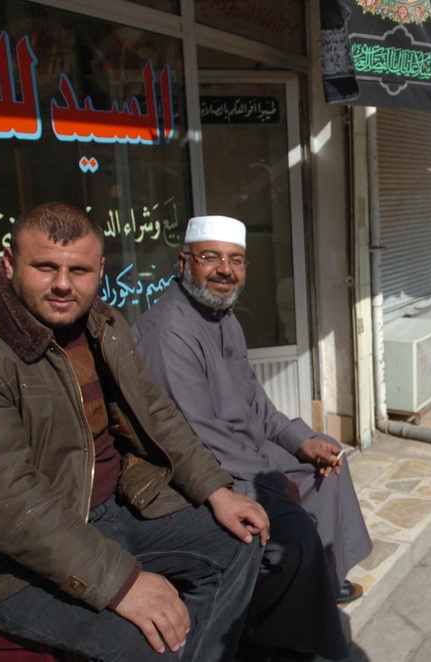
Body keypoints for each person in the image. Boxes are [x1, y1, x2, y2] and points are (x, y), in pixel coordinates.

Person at [0, 202, 269, 661]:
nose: (63, 284)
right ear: (10, 263)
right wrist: (122, 584)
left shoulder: (101, 323)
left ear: (100, 270)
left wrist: (216, 490)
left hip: (109, 510)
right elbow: (4, 500)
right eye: (45, 267)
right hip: (3, 562)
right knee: (147, 642)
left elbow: (155, 409)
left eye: (79, 270)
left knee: (240, 542)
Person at [133, 215, 370, 655]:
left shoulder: (224, 318)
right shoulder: (168, 333)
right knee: (290, 535)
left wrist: (299, 439)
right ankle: (283, 637)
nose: (225, 270)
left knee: (330, 463)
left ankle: (321, 582)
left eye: (236, 261)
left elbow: (255, 404)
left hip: (245, 453)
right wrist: (271, 478)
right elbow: (197, 437)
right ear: (183, 262)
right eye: (211, 258)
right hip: (206, 472)